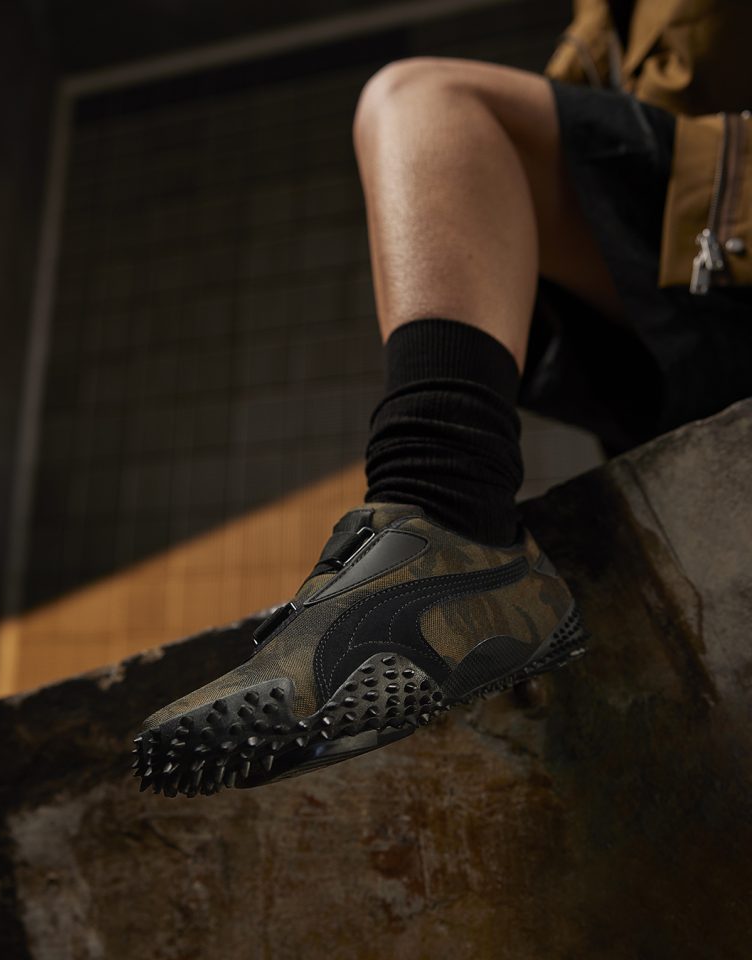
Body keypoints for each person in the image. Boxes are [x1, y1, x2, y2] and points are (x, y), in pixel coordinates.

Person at [133, 0, 752, 795]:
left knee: (423, 100)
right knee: (442, 153)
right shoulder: (605, 18)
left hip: (722, 254)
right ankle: (441, 534)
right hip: (685, 326)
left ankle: (449, 517)